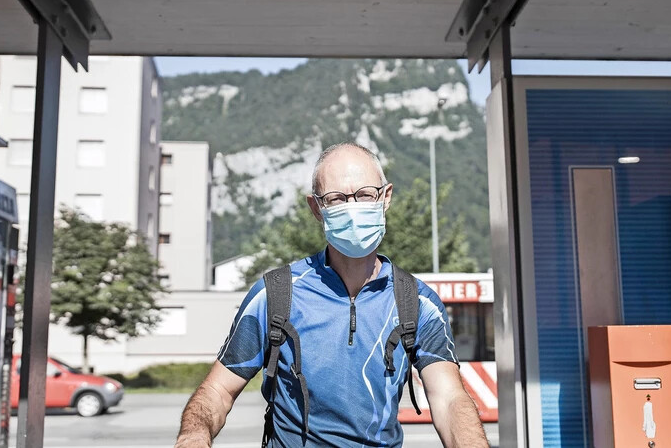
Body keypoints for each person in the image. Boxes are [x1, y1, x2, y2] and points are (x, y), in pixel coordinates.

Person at [175, 142, 489, 447]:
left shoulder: (417, 302)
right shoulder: (276, 294)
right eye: (337, 199)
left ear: (386, 197)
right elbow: (217, 390)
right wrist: (193, 436)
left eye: (365, 195)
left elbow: (449, 399)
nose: (353, 208)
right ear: (316, 208)